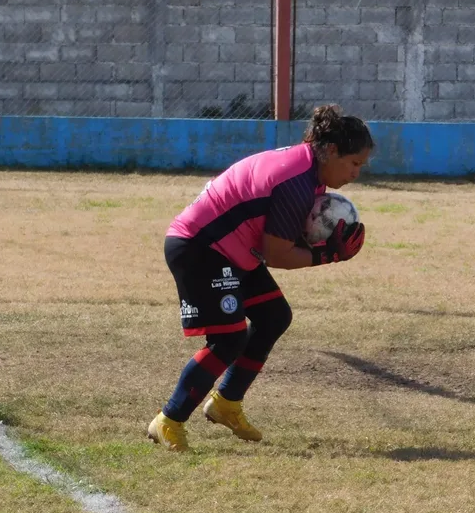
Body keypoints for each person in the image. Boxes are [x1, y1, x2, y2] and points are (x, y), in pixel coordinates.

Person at [148, 104, 373, 452]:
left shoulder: (308, 170)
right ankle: (169, 420)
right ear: (330, 151)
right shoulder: (297, 181)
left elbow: (278, 237)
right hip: (200, 248)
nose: (357, 173)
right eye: (354, 163)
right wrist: (330, 254)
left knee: (273, 316)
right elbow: (277, 254)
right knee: (229, 339)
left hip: (230, 249)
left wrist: (322, 245)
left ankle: (226, 404)